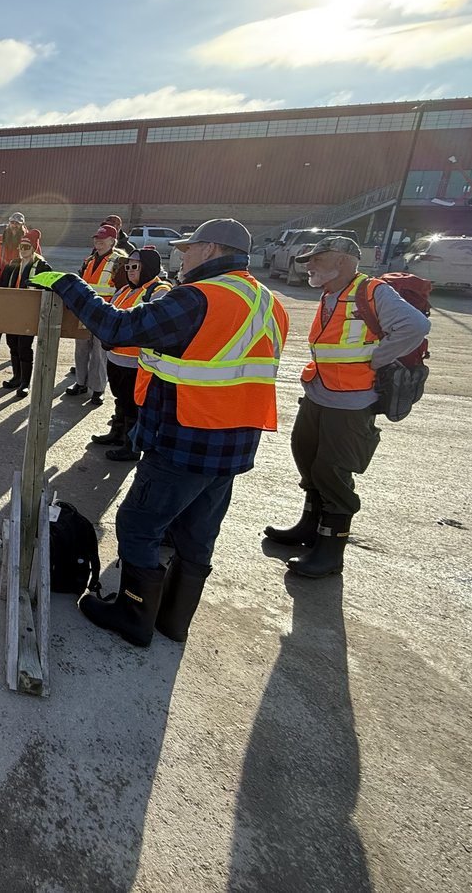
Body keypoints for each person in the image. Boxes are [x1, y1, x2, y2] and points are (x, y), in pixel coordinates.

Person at [30, 218, 289, 647]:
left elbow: (116, 330)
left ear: (211, 250)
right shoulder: (267, 301)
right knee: (196, 531)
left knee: (138, 524)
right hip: (234, 441)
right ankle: (173, 620)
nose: (181, 256)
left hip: (187, 436)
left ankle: (133, 615)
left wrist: (69, 284)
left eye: (188, 248)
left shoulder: (200, 297)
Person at [265, 236, 430, 578]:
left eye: (316, 259)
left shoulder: (371, 291)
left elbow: (416, 326)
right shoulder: (331, 293)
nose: (308, 265)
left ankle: (331, 550)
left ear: (341, 261)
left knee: (333, 470)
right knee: (307, 457)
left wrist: (378, 358)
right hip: (320, 391)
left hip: (352, 400)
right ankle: (308, 528)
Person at [89, 247, 173, 462]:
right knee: (121, 400)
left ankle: (132, 445)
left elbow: (150, 325)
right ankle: (117, 433)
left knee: (135, 404)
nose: (130, 271)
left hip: (138, 363)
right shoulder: (125, 290)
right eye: (127, 267)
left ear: (149, 268)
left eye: (135, 267)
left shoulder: (159, 291)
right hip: (116, 358)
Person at [64, 224, 125, 403]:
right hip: (85, 313)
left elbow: (123, 290)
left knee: (99, 353)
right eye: (96, 238)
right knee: (81, 348)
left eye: (102, 238)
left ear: (112, 241)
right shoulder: (89, 260)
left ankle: (97, 389)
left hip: (105, 314)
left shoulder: (119, 261)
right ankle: (81, 383)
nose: (98, 241)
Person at [0, 236, 52, 398]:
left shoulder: (42, 266)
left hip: (29, 314)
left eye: (26, 247)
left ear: (34, 248)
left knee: (24, 347)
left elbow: (49, 289)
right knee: (12, 344)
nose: (22, 250)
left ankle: (25, 383)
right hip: (11, 313)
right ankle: (16, 377)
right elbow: (1, 286)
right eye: (21, 246)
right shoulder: (13, 264)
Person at [0, 212, 44, 357]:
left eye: (17, 223)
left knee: (19, 318)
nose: (14, 226)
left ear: (23, 225)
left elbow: (37, 260)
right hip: (1, 286)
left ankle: (17, 349)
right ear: (8, 223)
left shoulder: (30, 242)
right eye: (12, 222)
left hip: (20, 286)